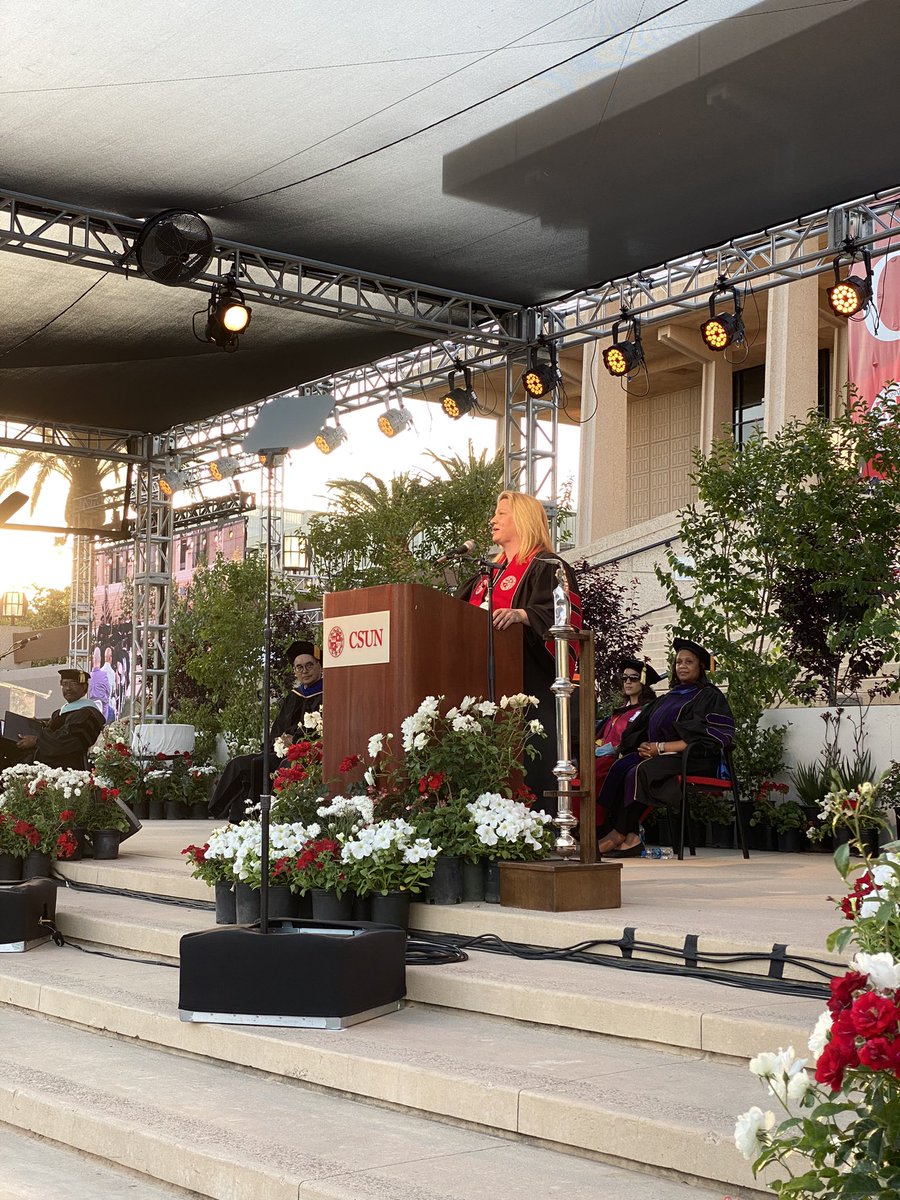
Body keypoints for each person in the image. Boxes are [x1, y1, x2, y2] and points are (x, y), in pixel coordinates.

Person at [457, 490, 582, 811]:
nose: (492, 520)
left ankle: (535, 824)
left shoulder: (548, 567)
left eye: (501, 514)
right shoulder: (485, 575)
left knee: (528, 756)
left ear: (523, 519)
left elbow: (566, 616)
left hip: (529, 684)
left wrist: (524, 615)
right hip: (477, 682)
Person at [596, 638, 735, 857]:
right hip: (662, 756)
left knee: (640, 771)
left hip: (695, 758)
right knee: (621, 767)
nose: (682, 666)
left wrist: (660, 747)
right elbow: (640, 729)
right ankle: (628, 836)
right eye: (679, 661)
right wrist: (642, 745)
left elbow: (706, 736)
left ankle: (619, 834)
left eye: (689, 662)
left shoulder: (708, 695)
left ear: (700, 667)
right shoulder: (669, 697)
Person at [208, 641, 324, 822]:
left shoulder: (327, 693)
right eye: (299, 667)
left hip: (301, 752)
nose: (304, 671)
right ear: (294, 671)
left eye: (309, 665)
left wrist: (294, 741)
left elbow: (320, 729)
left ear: (319, 665)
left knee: (258, 764)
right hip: (277, 750)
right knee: (238, 764)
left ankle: (254, 817)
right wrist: (276, 742)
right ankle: (218, 811)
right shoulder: (294, 696)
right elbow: (277, 727)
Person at [593, 657, 660, 804]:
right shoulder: (620, 710)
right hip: (602, 757)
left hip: (622, 759)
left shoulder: (647, 711)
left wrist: (614, 750)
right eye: (624, 678)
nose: (628, 682)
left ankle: (598, 821)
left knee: (595, 771)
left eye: (634, 678)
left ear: (643, 681)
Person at [12, 667, 105, 770]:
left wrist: (37, 740)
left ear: (84, 687)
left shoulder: (87, 714)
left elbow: (68, 742)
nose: (68, 688)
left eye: (73, 684)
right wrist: (36, 725)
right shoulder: (59, 713)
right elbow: (54, 731)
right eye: (64, 684)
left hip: (68, 770)